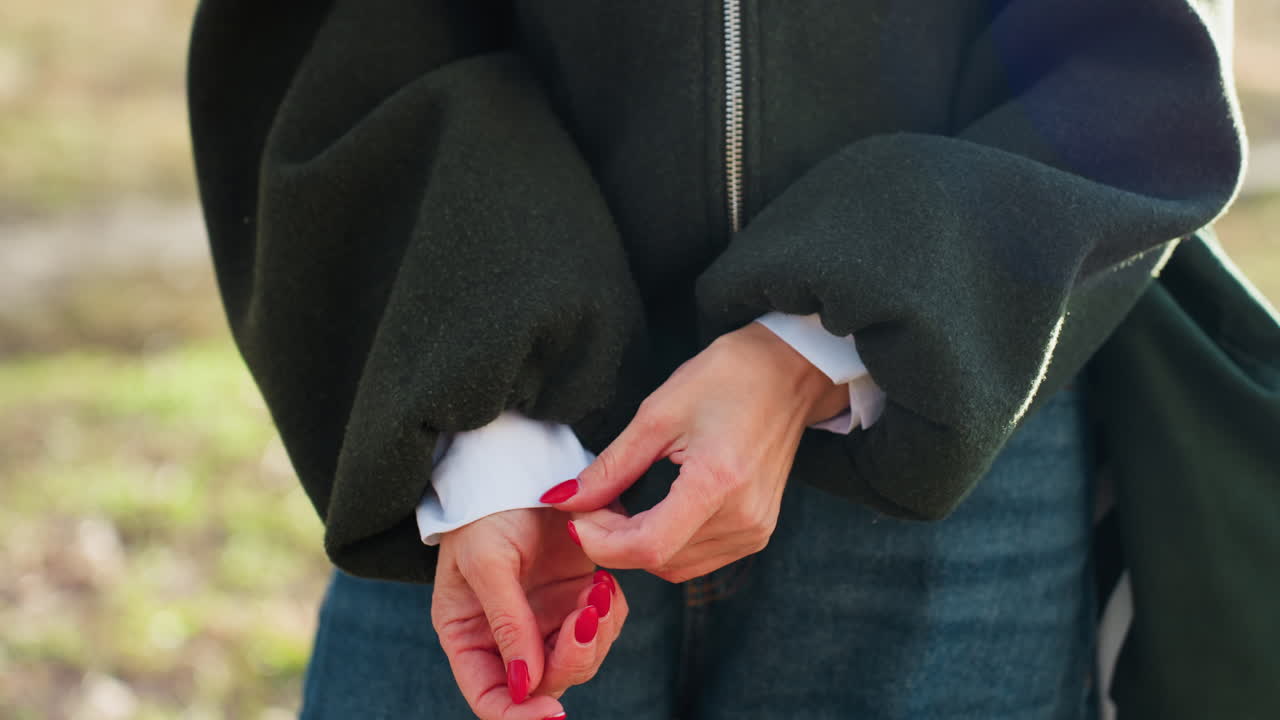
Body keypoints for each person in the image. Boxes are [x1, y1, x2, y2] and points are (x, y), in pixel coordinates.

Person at [188, 0, 1244, 718]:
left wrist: (821, 344)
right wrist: (485, 431)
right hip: (481, 458)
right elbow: (326, 33)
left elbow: (1134, 58)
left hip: (945, 420)